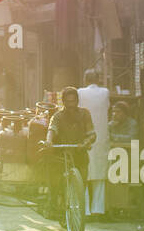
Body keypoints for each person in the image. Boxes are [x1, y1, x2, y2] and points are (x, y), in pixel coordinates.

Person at [44, 87, 96, 218]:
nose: (71, 105)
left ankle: (77, 211)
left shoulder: (85, 114)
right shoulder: (57, 116)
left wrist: (85, 143)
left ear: (78, 101)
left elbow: (92, 134)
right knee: (56, 182)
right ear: (63, 102)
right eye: (68, 102)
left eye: (73, 101)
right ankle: (54, 203)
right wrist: (49, 141)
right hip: (62, 156)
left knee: (81, 186)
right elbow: (52, 129)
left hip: (80, 154)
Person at [77, 68, 111, 218]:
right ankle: (98, 209)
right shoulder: (105, 92)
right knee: (99, 174)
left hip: (84, 136)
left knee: (83, 173)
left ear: (85, 80)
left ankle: (84, 210)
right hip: (101, 137)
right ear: (98, 80)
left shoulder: (80, 92)